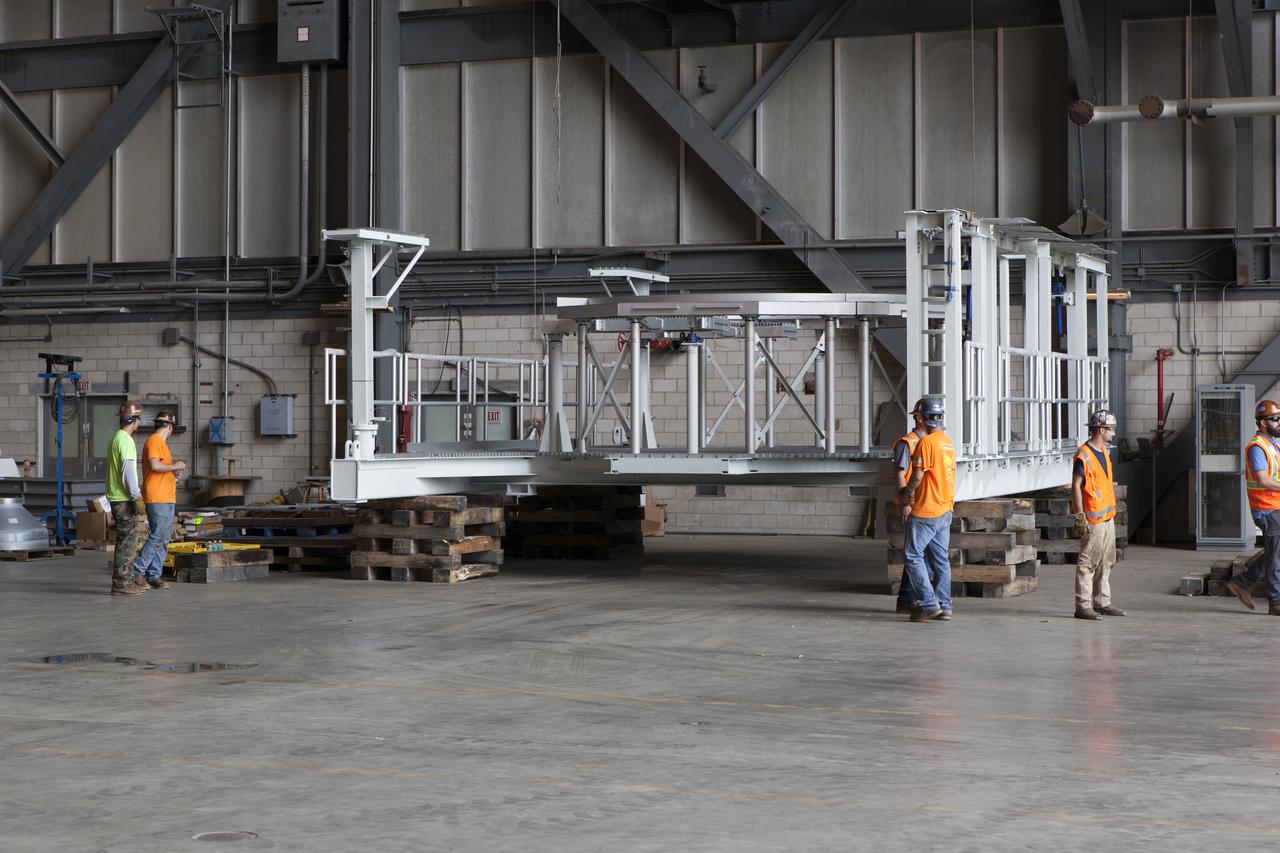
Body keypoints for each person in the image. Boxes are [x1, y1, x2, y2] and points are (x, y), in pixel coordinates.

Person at [899, 397, 956, 622]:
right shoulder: (948, 443)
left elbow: (918, 475)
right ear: (941, 417)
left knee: (912, 555)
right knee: (940, 560)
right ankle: (945, 606)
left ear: (921, 418)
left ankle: (929, 604)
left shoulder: (926, 443)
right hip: (945, 509)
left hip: (927, 510)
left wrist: (906, 494)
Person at [1226, 399, 1280, 615]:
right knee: (1276, 556)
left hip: (1276, 507)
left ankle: (1242, 582)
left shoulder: (1273, 444)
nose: (1279, 423)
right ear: (1262, 423)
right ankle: (1276, 603)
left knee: (1275, 551)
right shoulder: (1257, 447)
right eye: (1275, 419)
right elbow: (1263, 480)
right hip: (1267, 510)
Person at [1070, 410, 1126, 620]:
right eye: (1111, 430)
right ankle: (1083, 606)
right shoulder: (1083, 454)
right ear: (1101, 430)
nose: (1113, 434)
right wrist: (1079, 515)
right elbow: (1076, 485)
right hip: (1092, 517)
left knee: (1106, 560)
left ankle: (1102, 602)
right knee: (1088, 562)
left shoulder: (1104, 452)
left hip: (1106, 515)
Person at [132, 410, 186, 590]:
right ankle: (137, 571)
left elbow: (162, 468)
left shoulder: (162, 444)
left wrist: (173, 472)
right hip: (158, 497)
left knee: (164, 538)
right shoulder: (155, 441)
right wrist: (176, 465)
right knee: (157, 536)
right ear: (170, 427)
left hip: (166, 496)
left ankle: (154, 575)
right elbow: (155, 465)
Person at [106, 401, 147, 596]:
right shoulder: (127, 441)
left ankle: (127, 580)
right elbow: (127, 471)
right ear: (135, 420)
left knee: (126, 540)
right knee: (127, 542)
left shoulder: (116, 437)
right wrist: (136, 495)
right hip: (123, 499)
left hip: (116, 497)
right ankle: (121, 583)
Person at [892, 399, 928, 613]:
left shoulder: (931, 442)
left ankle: (908, 598)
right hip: (914, 504)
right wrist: (906, 502)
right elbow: (900, 473)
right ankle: (906, 598)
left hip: (927, 503)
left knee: (919, 554)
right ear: (919, 418)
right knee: (916, 554)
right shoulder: (907, 443)